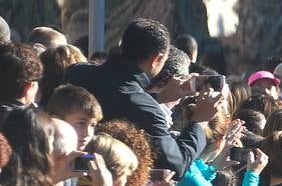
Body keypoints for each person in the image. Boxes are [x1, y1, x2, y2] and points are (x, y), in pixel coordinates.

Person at [64, 18, 218, 175]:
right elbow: (176, 164)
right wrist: (200, 121)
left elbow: (119, 97)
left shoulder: (75, 72)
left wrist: (159, 98)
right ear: (156, 59)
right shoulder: (146, 109)